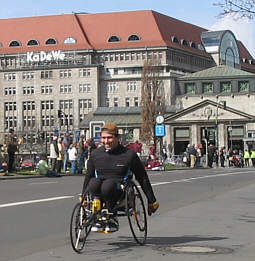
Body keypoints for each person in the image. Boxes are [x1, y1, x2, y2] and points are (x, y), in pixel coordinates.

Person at [81, 122, 159, 233]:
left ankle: (112, 217)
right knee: (93, 182)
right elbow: (88, 175)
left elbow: (142, 178)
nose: (106, 141)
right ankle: (97, 217)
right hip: (99, 189)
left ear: (117, 137)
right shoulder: (95, 154)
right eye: (103, 138)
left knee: (108, 186)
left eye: (109, 138)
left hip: (120, 189)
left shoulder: (129, 154)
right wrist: (83, 196)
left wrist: (152, 200)